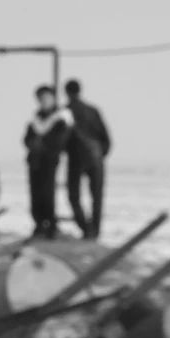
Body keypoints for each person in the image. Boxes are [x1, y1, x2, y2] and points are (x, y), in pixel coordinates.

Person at [63, 79, 112, 240]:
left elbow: (61, 139)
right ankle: (94, 231)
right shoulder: (92, 111)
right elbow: (106, 138)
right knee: (96, 197)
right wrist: (100, 154)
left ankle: (87, 228)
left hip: (76, 159)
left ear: (67, 92)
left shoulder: (65, 112)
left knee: (74, 196)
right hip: (95, 158)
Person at [25, 85, 72, 239]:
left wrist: (44, 145)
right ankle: (39, 224)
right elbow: (27, 139)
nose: (43, 101)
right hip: (35, 161)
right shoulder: (36, 118)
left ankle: (51, 224)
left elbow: (60, 140)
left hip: (49, 161)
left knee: (48, 192)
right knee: (35, 193)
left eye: (46, 97)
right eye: (40, 98)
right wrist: (33, 144)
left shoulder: (61, 118)